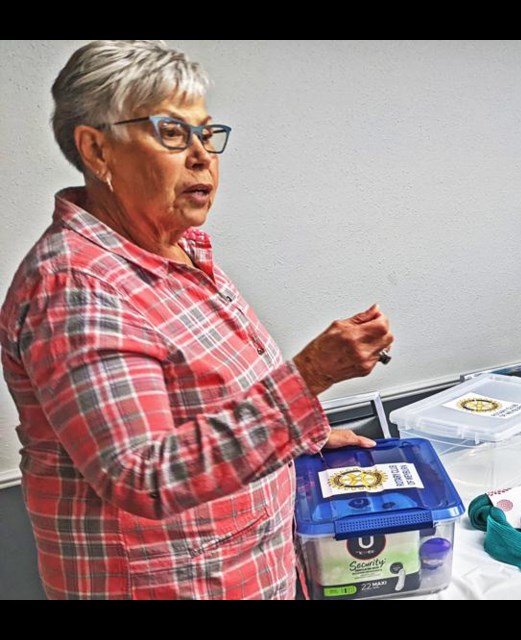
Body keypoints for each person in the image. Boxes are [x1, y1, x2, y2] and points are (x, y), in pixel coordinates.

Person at [0, 40, 394, 599]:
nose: (202, 155)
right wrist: (309, 379)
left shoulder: (176, 251)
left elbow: (209, 402)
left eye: (206, 134)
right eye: (172, 133)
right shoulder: (78, 288)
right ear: (96, 150)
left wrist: (303, 435)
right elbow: (143, 475)